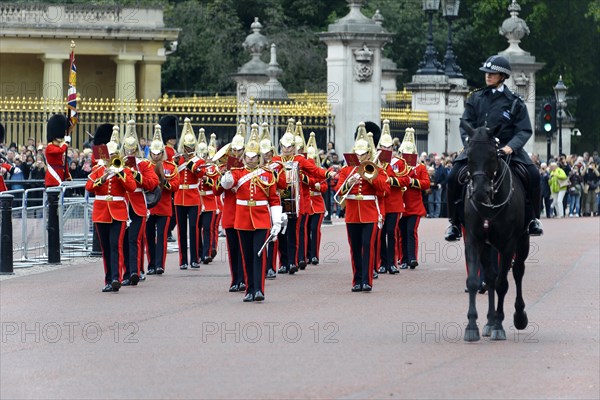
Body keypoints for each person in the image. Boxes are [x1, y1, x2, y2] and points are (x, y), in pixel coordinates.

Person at [444, 55, 543, 241]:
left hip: (506, 150)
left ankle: (532, 220)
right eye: (486, 73)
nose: (488, 76)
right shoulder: (476, 98)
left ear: (502, 76)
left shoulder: (515, 101)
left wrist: (511, 147)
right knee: (452, 177)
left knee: (533, 175)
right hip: (478, 150)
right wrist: (471, 144)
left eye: (492, 73)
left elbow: (524, 130)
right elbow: (465, 123)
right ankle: (454, 223)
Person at [220, 125, 282, 302]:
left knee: (258, 254)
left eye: (254, 157)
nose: (250, 160)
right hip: (242, 219)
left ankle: (259, 290)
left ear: (259, 157)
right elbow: (226, 186)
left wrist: (276, 222)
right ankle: (249, 289)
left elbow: (274, 200)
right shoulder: (238, 172)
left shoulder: (268, 175)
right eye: (248, 157)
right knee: (246, 255)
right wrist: (226, 174)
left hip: (261, 218)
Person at [334, 122, 390, 292]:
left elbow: (385, 190)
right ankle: (356, 280)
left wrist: (369, 177)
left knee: (368, 245)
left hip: (370, 213)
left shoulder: (376, 169)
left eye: (363, 154)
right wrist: (347, 184)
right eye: (357, 154)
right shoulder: (347, 170)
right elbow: (338, 191)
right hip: (352, 213)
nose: (359, 157)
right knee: (355, 248)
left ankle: (366, 280)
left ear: (368, 154)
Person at [85, 125, 137, 293]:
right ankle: (108, 279)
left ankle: (117, 278)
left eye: (115, 155)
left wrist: (120, 172)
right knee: (106, 248)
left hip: (118, 212)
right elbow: (89, 186)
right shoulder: (98, 169)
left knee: (116, 245)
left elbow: (131, 187)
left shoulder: (124, 170)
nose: (112, 158)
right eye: (110, 155)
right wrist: (104, 176)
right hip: (101, 212)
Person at [120, 120, 159, 286]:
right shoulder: (119, 163)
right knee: (122, 240)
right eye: (128, 149)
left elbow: (153, 183)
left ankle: (135, 271)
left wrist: (137, 176)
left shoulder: (144, 164)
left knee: (134, 239)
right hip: (122, 205)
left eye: (133, 149)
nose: (130, 152)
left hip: (137, 205)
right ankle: (125, 273)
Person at [376, 120, 410, 275]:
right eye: (384, 146)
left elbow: (406, 179)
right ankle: (383, 263)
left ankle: (393, 262)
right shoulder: (374, 162)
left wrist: (390, 179)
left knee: (392, 232)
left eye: (389, 147)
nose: (386, 149)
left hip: (394, 202)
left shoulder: (399, 163)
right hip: (380, 203)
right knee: (381, 233)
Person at [145, 124, 179, 276]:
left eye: (159, 153)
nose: (156, 156)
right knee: (149, 237)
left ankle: (159, 264)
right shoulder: (144, 166)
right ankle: (151, 264)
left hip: (164, 205)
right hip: (149, 207)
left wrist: (165, 183)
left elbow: (176, 185)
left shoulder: (171, 166)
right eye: (154, 153)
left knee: (162, 237)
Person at [398, 128, 430, 270]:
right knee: (401, 232)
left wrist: (412, 182)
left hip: (415, 205)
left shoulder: (420, 168)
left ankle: (412, 258)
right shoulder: (398, 166)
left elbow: (426, 183)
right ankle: (403, 258)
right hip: (401, 204)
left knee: (411, 231)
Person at [44, 114, 71, 188]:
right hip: (53, 178)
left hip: (61, 177)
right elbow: (60, 150)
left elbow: (64, 164)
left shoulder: (59, 147)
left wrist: (68, 176)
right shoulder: (50, 147)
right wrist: (66, 143)